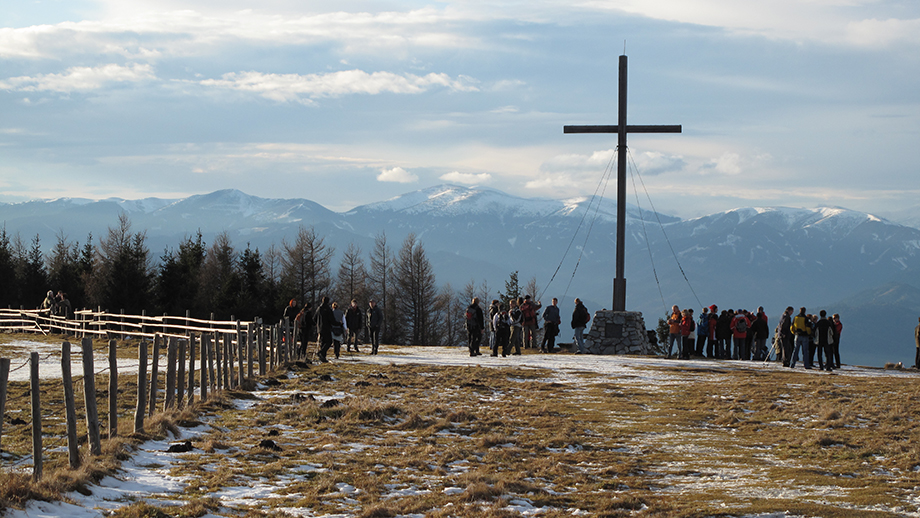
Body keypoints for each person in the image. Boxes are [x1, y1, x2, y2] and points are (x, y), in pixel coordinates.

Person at [313, 297, 335, 363]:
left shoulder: (319, 309)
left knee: (323, 342)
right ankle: (321, 352)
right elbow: (332, 320)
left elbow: (314, 318)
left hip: (320, 328)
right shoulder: (328, 309)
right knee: (329, 342)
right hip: (327, 328)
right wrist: (338, 323)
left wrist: (317, 325)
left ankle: (323, 357)